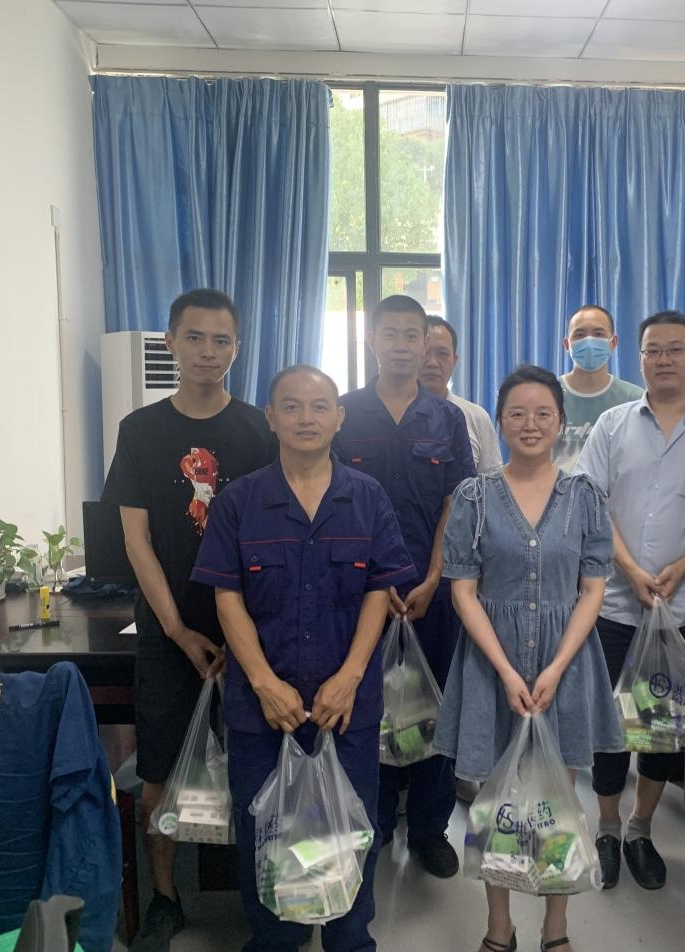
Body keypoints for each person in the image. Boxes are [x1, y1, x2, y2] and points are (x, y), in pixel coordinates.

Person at [192, 365, 416, 952]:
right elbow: (226, 598)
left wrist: (350, 677)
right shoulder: (239, 501)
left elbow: (379, 592)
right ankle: (274, 938)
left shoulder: (366, 497)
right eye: (291, 406)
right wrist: (264, 683)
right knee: (264, 831)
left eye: (320, 407)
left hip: (348, 705)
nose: (306, 418)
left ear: (339, 418)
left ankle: (349, 939)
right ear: (271, 418)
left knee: (352, 828)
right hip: (261, 708)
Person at [102, 288, 277, 952]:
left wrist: (243, 636)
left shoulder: (259, 429)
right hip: (167, 632)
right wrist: (176, 630)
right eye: (195, 338)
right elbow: (136, 541)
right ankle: (166, 899)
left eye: (221, 340)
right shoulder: (140, 431)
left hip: (251, 633)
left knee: (259, 765)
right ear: (171, 342)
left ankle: (264, 895)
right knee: (160, 769)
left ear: (237, 348)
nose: (208, 352)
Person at [434, 364, 624, 952]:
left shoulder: (584, 496)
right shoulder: (475, 496)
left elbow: (592, 589)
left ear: (561, 422)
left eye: (543, 413)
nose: (530, 424)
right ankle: (499, 926)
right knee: (497, 803)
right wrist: (505, 669)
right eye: (517, 413)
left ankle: (555, 928)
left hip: (566, 666)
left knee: (557, 802)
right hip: (491, 666)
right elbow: (463, 589)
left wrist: (556, 666)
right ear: (500, 421)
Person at [575, 310, 685, 891]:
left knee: (661, 728)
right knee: (610, 727)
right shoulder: (612, 425)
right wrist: (634, 571)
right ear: (638, 357)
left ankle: (641, 828)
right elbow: (591, 506)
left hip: (683, 608)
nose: (664, 359)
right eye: (652, 350)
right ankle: (607, 826)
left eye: (676, 349)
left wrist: (682, 569)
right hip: (613, 606)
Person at [332, 294, 476, 878]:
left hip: (429, 592)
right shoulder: (342, 412)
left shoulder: (447, 419)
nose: (400, 344)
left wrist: (436, 574)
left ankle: (429, 829)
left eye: (410, 335)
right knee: (367, 706)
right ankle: (374, 823)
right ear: (370, 340)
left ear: (425, 345)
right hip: (357, 592)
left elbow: (455, 503)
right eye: (388, 333)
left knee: (434, 707)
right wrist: (374, 583)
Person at [554, 304, 644, 471]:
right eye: (579, 335)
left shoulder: (635, 399)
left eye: (598, 334)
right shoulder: (548, 396)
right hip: (555, 487)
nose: (589, 341)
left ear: (613, 342)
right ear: (567, 344)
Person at [420, 315, 503, 472]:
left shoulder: (477, 417)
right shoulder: (396, 415)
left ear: (455, 360)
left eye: (442, 353)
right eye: (424, 352)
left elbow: (492, 481)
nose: (432, 363)